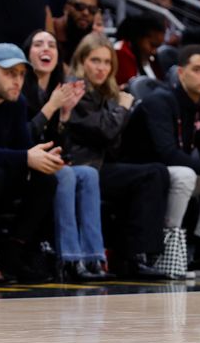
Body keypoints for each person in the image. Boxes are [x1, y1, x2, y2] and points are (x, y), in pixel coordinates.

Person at [122, 45, 200, 278]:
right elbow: (168, 154)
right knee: (189, 174)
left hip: (169, 176)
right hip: (142, 174)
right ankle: (166, 252)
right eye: (198, 70)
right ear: (180, 73)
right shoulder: (160, 101)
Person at [66, 33, 170, 279]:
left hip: (101, 165)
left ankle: (134, 256)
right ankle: (136, 257)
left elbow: (113, 140)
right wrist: (123, 108)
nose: (102, 68)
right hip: (82, 168)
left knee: (154, 172)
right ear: (82, 61)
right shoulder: (75, 91)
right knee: (152, 174)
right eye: (95, 61)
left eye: (107, 62)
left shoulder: (104, 94)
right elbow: (105, 131)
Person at [21, 30, 110, 281]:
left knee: (89, 174)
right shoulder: (19, 88)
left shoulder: (56, 88)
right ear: (28, 55)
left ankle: (93, 258)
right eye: (38, 44)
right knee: (68, 174)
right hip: (23, 162)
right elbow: (24, 137)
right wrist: (51, 106)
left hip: (47, 162)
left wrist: (65, 115)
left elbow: (59, 145)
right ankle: (69, 260)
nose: (46, 49)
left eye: (51, 45)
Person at [0, 43, 61, 283]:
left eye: (21, 75)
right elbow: (22, 156)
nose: (17, 81)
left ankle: (13, 253)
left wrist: (43, 157)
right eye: (9, 73)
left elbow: (23, 150)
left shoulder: (17, 103)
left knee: (46, 180)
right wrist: (25, 157)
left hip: (3, 178)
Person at [114, 12, 167, 86]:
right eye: (152, 45)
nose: (154, 51)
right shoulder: (121, 53)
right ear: (139, 37)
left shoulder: (150, 58)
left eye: (158, 46)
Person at [52, 0, 99, 66]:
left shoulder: (94, 39)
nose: (86, 13)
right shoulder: (49, 29)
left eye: (92, 9)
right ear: (66, 8)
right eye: (80, 7)